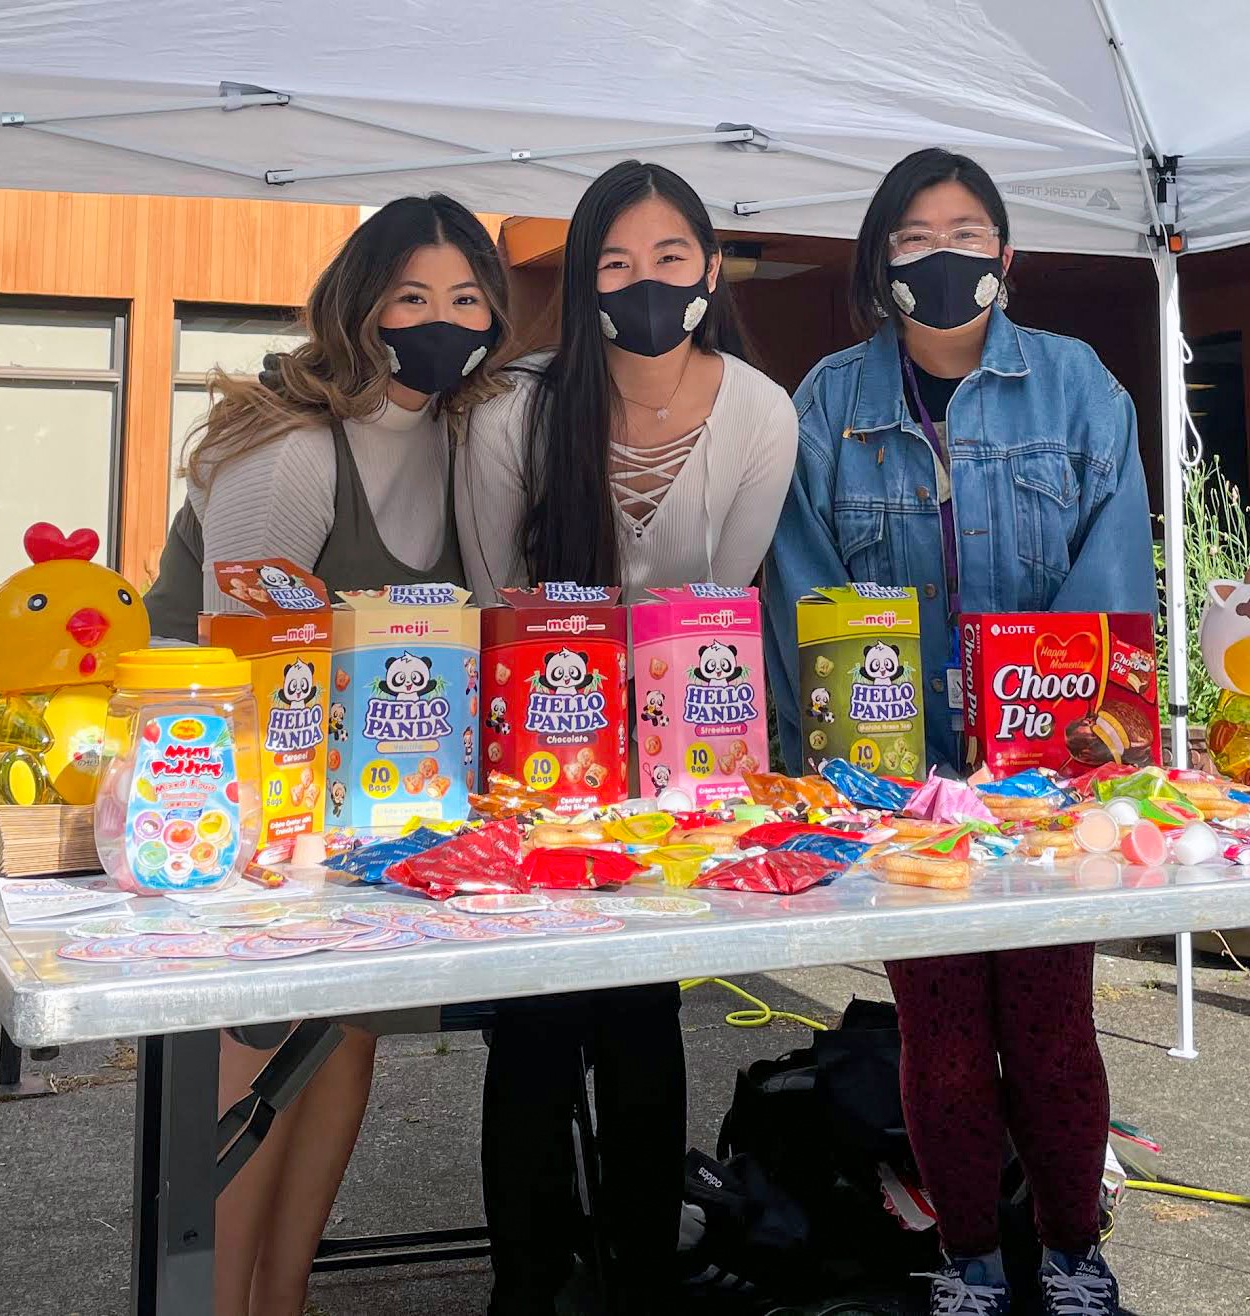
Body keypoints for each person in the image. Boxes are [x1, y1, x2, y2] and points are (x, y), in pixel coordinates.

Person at [763, 149, 1155, 1316]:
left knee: (1047, 1018)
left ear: (1006, 256)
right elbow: (803, 582)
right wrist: (856, 763)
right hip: (900, 784)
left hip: (1043, 775)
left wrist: (1061, 732)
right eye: (913, 237)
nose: (943, 256)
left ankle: (1072, 1246)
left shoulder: (1080, 384)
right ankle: (970, 1261)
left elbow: (1113, 568)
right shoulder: (827, 401)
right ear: (879, 262)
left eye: (965, 231)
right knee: (935, 1028)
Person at [145, 193, 511, 1316]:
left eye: (465, 299)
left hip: (360, 806)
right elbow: (233, 675)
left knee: (344, 1031)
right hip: (230, 786)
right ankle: (221, 1301)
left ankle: (285, 1294)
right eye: (411, 297)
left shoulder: (463, 439)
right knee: (255, 1041)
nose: (439, 322)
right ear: (357, 306)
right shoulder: (295, 448)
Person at [457, 158, 796, 1315]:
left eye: (666, 258)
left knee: (646, 1012)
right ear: (583, 279)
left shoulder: (759, 409)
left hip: (679, 767)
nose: (642, 282)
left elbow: (724, 592)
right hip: (540, 756)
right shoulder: (516, 407)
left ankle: (644, 1270)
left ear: (708, 266)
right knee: (539, 1021)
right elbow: (496, 590)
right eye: (613, 262)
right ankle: (524, 1275)